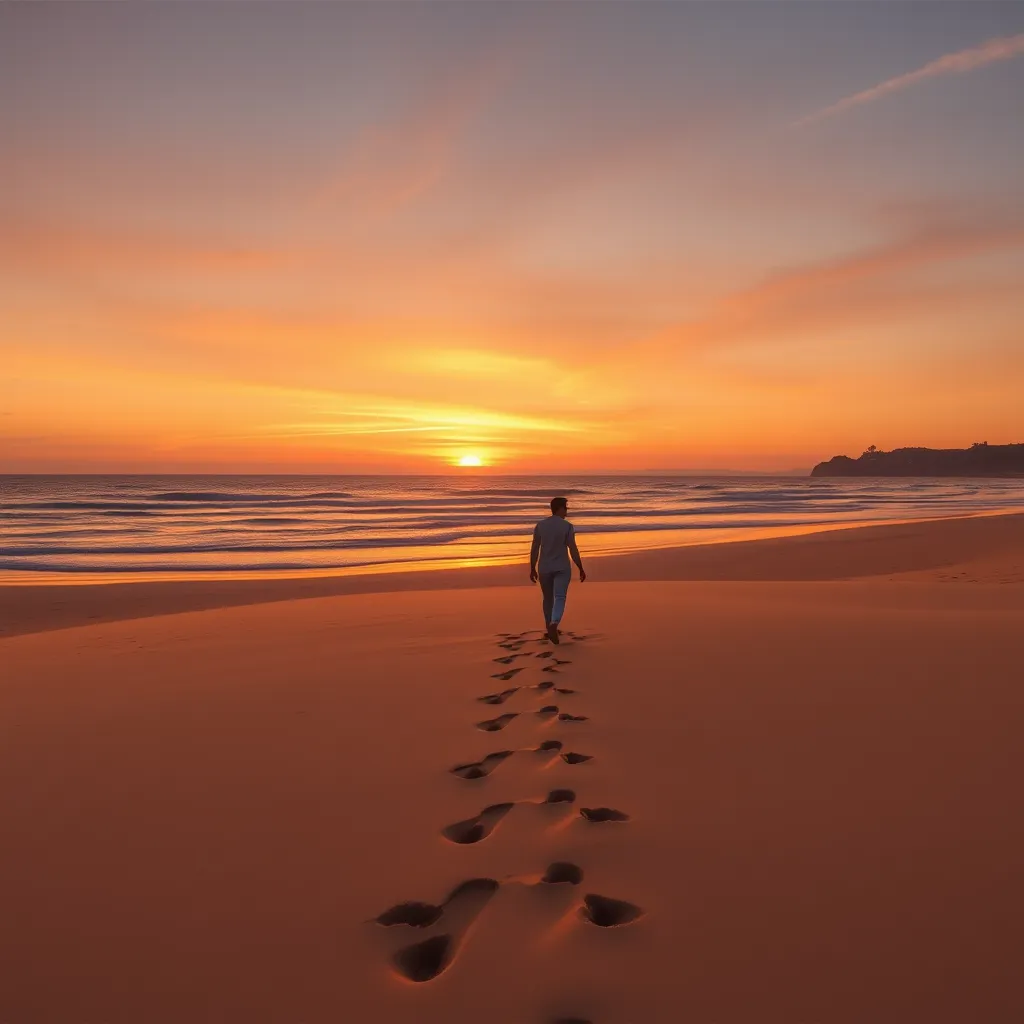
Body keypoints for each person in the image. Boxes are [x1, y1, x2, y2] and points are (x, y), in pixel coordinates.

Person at [529, 496, 586, 643]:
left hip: (544, 567)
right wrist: (580, 567)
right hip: (562, 567)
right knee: (560, 597)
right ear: (559, 508)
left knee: (547, 599)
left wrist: (532, 567)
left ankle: (549, 627)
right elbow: (572, 549)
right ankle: (554, 623)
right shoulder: (567, 526)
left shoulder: (541, 525)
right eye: (565, 508)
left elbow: (535, 548)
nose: (567, 511)